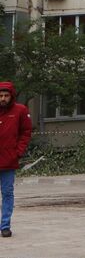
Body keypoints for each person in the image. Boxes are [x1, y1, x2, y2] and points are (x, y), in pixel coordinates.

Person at [0, 81, 33, 238]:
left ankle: (5, 225)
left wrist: (17, 152)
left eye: (6, 96)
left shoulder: (20, 110)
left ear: (11, 96)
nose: (3, 98)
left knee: (7, 193)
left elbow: (26, 132)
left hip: (8, 162)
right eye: (0, 96)